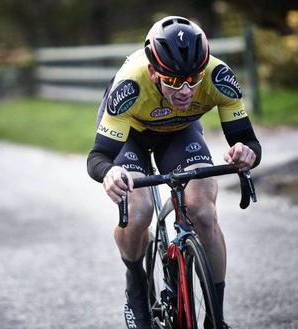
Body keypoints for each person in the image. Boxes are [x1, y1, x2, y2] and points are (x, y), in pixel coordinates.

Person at [86, 16, 261, 329]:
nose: (185, 90)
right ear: (154, 71)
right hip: (131, 135)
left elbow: (247, 142)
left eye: (193, 79)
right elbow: (98, 156)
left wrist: (246, 153)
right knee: (139, 213)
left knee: (204, 213)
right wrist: (110, 172)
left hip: (179, 133)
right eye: (173, 81)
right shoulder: (130, 84)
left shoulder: (218, 76)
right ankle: (136, 281)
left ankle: (215, 318)